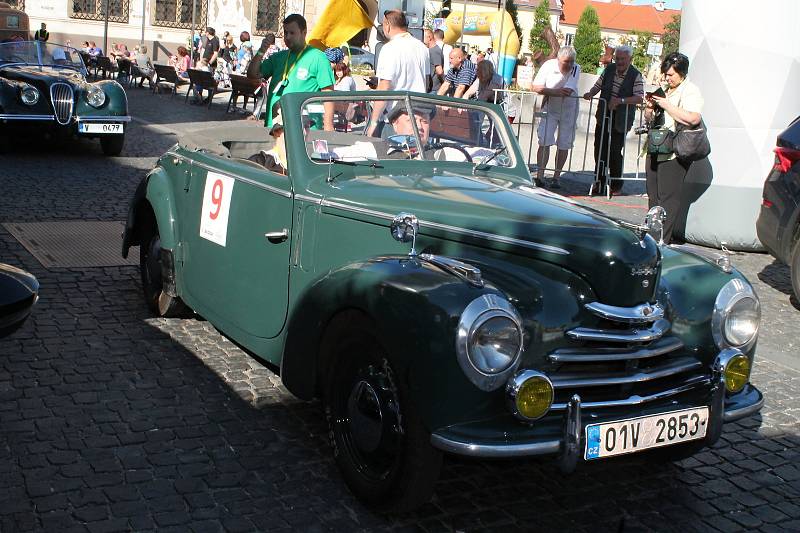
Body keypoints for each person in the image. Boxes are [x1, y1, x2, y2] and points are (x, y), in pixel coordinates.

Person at [644, 52, 704, 245]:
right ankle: (651, 237)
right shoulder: (664, 89)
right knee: (653, 196)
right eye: (666, 74)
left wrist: (667, 106)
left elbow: (693, 118)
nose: (667, 78)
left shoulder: (690, 90)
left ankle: (663, 240)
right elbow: (649, 118)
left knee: (668, 198)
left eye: (671, 75)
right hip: (655, 147)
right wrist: (650, 108)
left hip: (673, 152)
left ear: (682, 73)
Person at [246, 14, 335, 130]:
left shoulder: (318, 57)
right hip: (274, 126)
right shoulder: (279, 57)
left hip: (303, 128)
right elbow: (252, 74)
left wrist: (328, 126)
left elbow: (328, 93)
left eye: (292, 33)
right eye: (285, 33)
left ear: (304, 33)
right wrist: (262, 50)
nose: (287, 37)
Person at [583, 45, 644, 195]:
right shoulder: (609, 69)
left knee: (615, 151)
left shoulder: (636, 75)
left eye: (623, 59)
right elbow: (599, 84)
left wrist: (620, 100)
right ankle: (599, 181)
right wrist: (590, 93)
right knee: (599, 148)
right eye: (617, 58)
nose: (620, 62)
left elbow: (639, 98)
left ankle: (616, 184)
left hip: (621, 119)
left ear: (630, 59)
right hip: (603, 114)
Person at [366, 10, 430, 137]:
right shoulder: (422, 48)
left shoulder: (389, 48)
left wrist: (373, 122)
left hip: (395, 119)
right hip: (418, 116)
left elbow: (385, 87)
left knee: (390, 155)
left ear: (387, 25)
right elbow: (426, 83)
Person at [532, 45, 581, 189]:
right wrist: (553, 92)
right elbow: (535, 86)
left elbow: (567, 90)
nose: (569, 65)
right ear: (558, 59)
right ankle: (540, 176)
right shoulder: (548, 66)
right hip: (550, 108)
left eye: (571, 61)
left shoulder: (576, 68)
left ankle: (556, 176)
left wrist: (547, 91)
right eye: (566, 62)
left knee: (564, 143)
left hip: (569, 109)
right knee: (544, 140)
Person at [248, 109, 287, 174]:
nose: (304, 132)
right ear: (277, 132)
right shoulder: (259, 162)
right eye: (297, 128)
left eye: (306, 126)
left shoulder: (307, 163)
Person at [423, 28, 444, 94]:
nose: (422, 39)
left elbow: (439, 71)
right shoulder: (431, 50)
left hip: (434, 89)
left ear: (429, 37)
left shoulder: (434, 50)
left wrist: (443, 83)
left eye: (423, 37)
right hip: (431, 88)